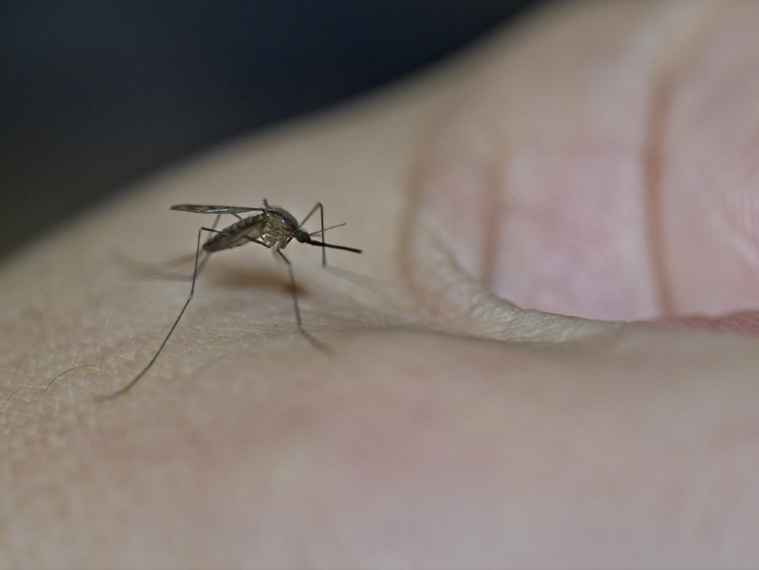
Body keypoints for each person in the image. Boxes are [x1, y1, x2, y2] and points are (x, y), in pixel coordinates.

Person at [1, 2, 757, 566]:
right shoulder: (266, 238)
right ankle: (168, 282)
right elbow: (247, 224)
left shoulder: (300, 225)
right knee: (224, 242)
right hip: (236, 219)